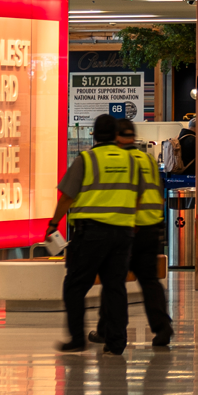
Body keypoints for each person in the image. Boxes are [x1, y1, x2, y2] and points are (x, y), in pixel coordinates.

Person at [46, 113, 137, 355]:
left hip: (92, 234)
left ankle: (77, 338)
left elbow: (67, 196)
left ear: (93, 134)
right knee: (115, 287)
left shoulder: (86, 160)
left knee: (75, 285)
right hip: (123, 234)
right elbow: (136, 195)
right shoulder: (131, 161)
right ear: (116, 134)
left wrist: (54, 224)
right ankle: (116, 342)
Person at [117, 118, 174, 349]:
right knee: (149, 281)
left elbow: (131, 193)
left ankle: (109, 330)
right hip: (152, 225)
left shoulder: (124, 160)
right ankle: (162, 328)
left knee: (115, 281)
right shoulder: (148, 159)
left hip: (131, 228)